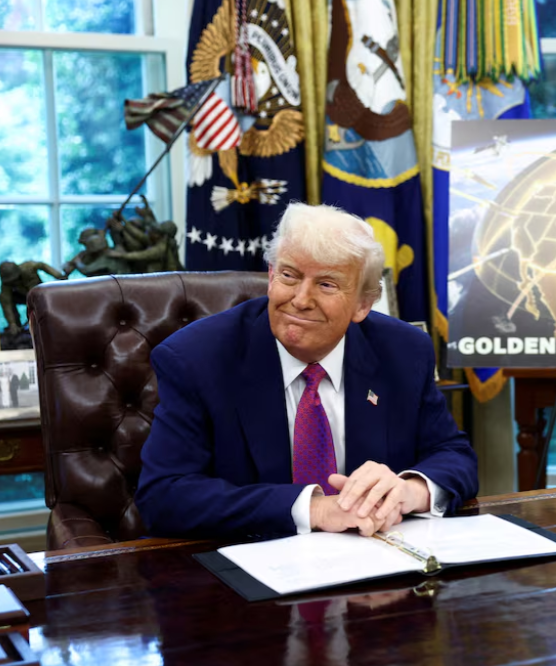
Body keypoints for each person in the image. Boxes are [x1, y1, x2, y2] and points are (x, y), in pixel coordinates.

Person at [136, 203, 478, 539]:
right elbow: (164, 496)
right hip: (250, 561)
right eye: (289, 275)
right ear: (271, 276)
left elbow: (453, 454)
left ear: (363, 304)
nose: (300, 300)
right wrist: (315, 510)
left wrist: (408, 491)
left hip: (376, 558)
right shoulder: (196, 359)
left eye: (326, 284)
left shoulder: (403, 351)